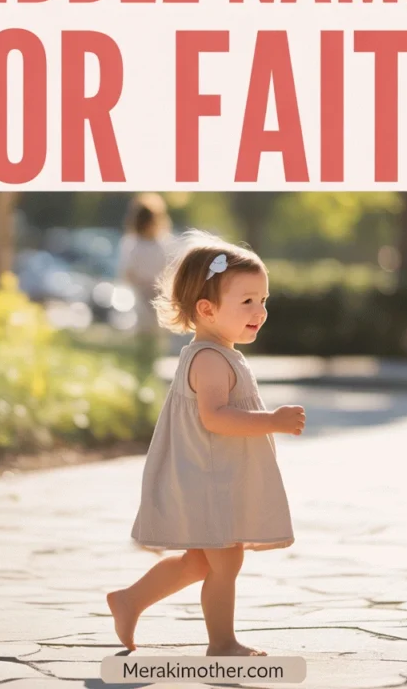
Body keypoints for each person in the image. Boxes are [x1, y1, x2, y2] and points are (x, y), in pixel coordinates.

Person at [107, 231, 306, 657]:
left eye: (263, 300)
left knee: (201, 561)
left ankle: (129, 601)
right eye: (247, 301)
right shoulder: (211, 360)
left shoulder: (219, 352)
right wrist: (272, 421)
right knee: (226, 562)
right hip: (207, 478)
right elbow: (214, 417)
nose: (260, 311)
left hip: (215, 476)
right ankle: (222, 643)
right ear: (206, 308)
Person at [117, 194, 173, 337]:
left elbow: (170, 269)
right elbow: (127, 272)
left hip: (160, 292)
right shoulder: (132, 244)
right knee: (142, 329)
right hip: (140, 293)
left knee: (160, 330)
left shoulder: (164, 244)